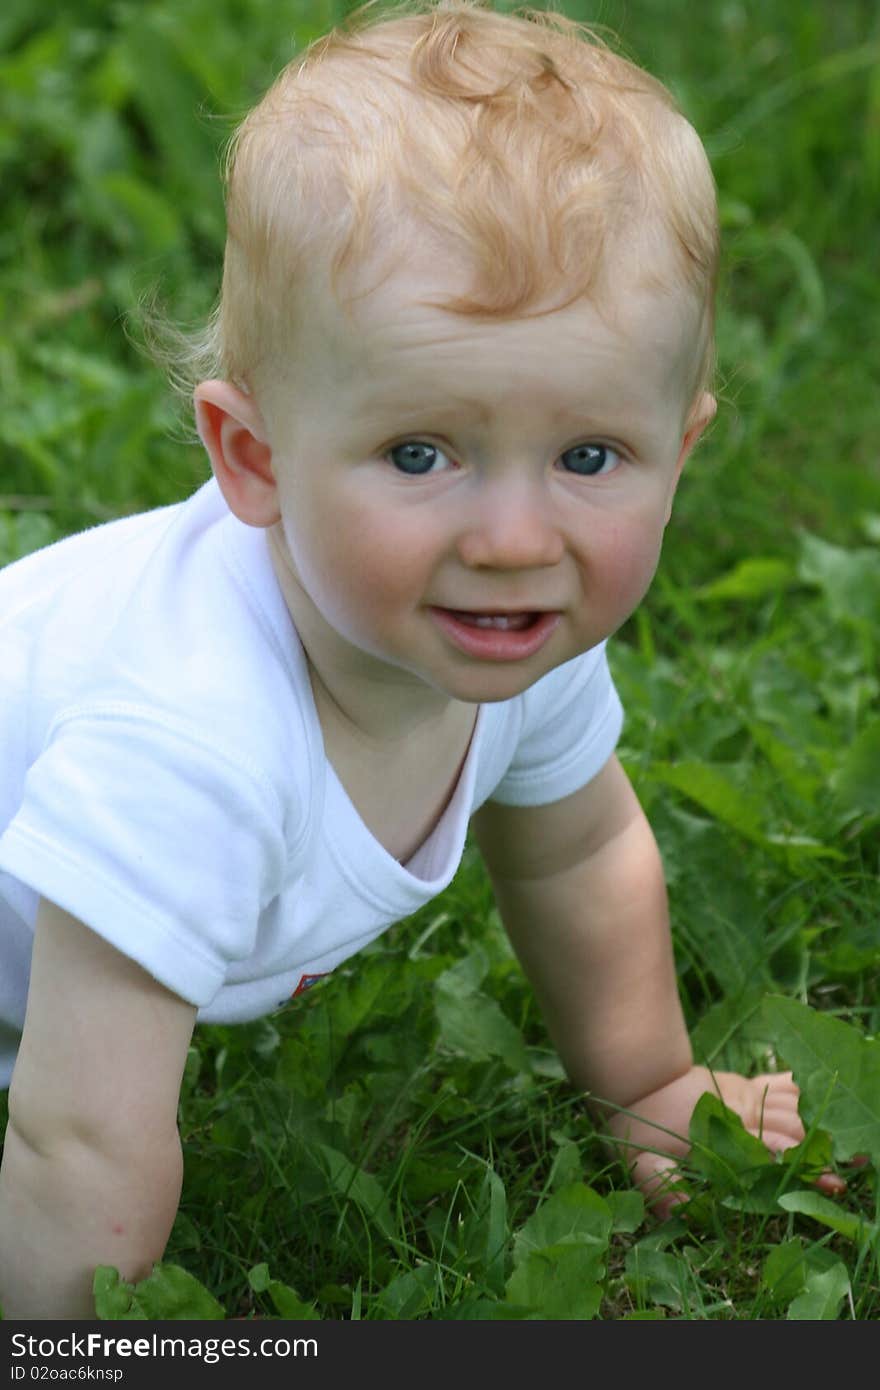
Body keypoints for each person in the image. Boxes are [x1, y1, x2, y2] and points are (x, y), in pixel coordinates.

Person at [0, 0, 828, 1320]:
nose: (512, 539)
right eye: (420, 454)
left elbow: (577, 853)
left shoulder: (514, 637)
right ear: (254, 460)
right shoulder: (189, 740)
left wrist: (654, 1086)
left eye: (590, 456)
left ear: (685, 448)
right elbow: (79, 1142)